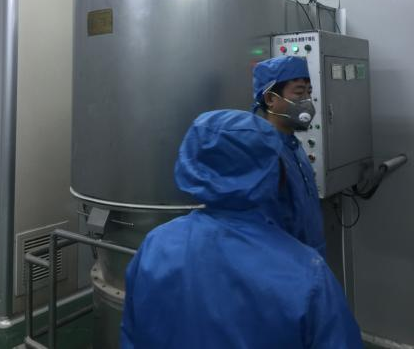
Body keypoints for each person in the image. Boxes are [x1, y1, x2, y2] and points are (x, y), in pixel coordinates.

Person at [121, 110, 362, 349]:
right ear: (275, 172)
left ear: (193, 166)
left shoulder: (155, 246)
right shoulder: (307, 275)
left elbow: (132, 336)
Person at [252, 56, 326, 257]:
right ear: (270, 99)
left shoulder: (294, 147)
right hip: (286, 263)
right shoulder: (265, 153)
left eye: (309, 93)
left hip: (310, 258)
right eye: (299, 93)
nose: (307, 102)